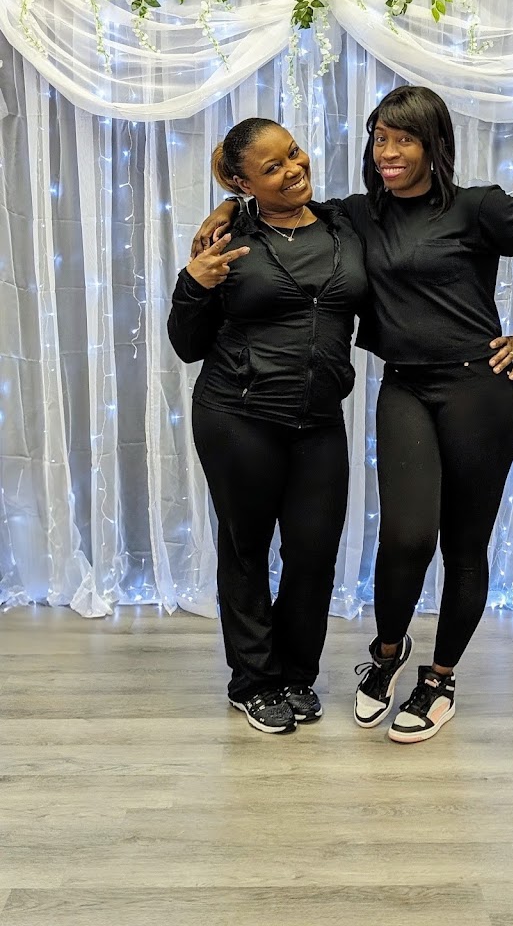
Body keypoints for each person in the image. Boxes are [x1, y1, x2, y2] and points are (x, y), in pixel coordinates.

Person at [193, 86, 513, 745]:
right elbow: (278, 206)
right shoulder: (355, 214)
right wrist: (227, 203)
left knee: (463, 546)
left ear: (434, 145)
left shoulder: (477, 207)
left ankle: (440, 680)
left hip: (479, 388)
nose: (389, 152)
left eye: (405, 139)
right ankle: (385, 655)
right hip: (403, 387)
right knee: (405, 537)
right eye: (380, 138)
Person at [168, 118, 367, 735]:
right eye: (273, 167)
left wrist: (228, 201)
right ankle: (253, 682)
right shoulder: (227, 240)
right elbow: (186, 345)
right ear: (244, 182)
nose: (294, 169)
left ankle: (296, 674)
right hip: (237, 416)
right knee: (247, 549)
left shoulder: (344, 223)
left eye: (294, 153)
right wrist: (193, 285)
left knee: (314, 552)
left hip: (319, 420)